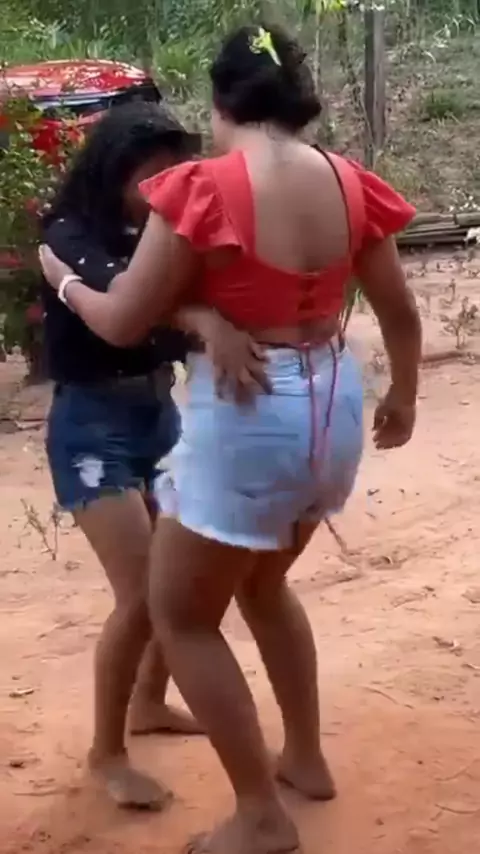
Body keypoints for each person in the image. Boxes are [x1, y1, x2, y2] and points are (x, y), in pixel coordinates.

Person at [40, 24, 422, 854]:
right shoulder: (350, 181)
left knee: (179, 615)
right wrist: (405, 395)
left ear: (220, 103)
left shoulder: (204, 189)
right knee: (266, 585)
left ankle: (258, 815)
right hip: (331, 404)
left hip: (251, 414)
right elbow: (399, 310)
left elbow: (122, 319)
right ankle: (305, 760)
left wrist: (61, 279)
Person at [40, 100, 267, 813]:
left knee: (179, 588)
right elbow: (120, 300)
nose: (165, 184)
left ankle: (148, 702)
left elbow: (172, 303)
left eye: (174, 169)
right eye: (152, 171)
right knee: (141, 596)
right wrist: (195, 314)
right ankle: (106, 754)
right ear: (114, 167)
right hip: (91, 431)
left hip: (160, 414)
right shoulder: (68, 232)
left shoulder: (162, 231)